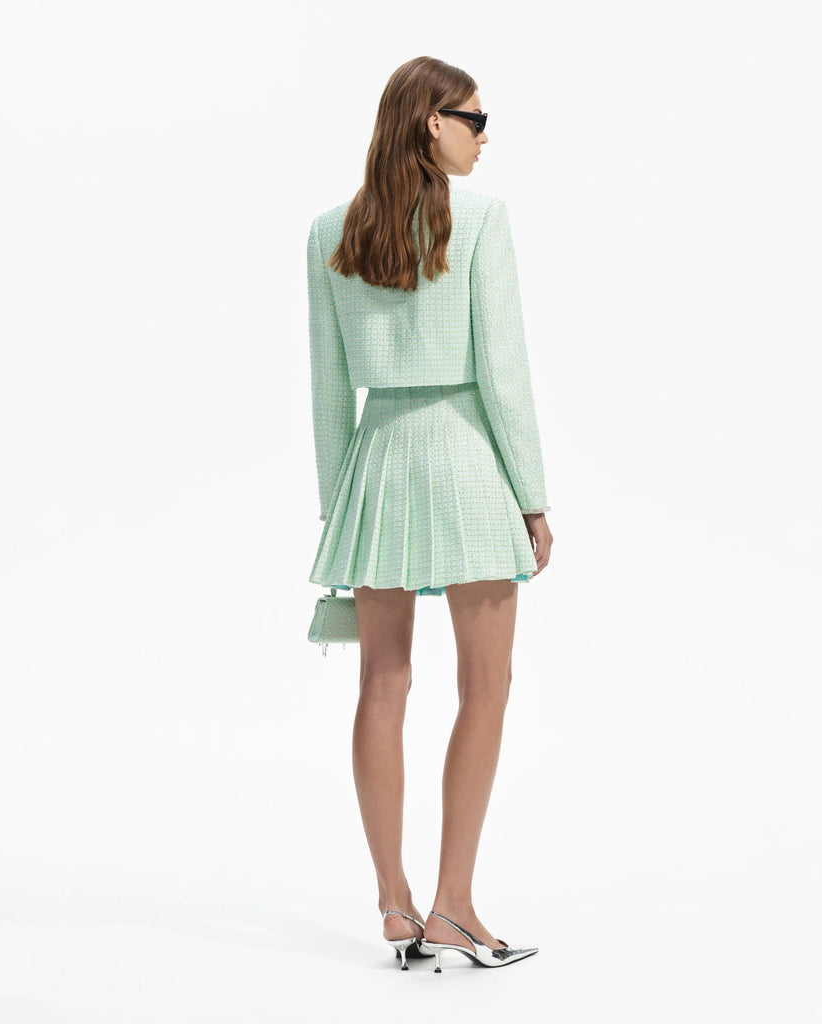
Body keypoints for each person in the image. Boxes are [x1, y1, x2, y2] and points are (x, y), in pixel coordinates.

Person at [306, 56, 553, 972]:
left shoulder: (329, 232)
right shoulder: (481, 220)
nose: (486, 136)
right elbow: (504, 370)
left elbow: (329, 389)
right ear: (430, 123)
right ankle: (455, 906)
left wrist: (337, 512)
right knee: (486, 687)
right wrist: (533, 497)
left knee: (382, 684)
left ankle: (395, 903)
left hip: (377, 466)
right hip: (467, 458)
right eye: (475, 120)